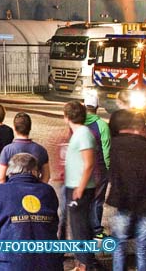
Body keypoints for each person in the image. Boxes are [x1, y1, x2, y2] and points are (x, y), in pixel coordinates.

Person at [0, 153, 62, 271]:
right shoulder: (48, 191)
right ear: (34, 172)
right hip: (48, 262)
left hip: (11, 264)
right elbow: (53, 225)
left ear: (10, 172)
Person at [106, 110, 146, 271]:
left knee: (119, 245)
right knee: (142, 247)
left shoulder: (115, 145)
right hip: (145, 203)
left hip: (123, 201)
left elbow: (113, 173)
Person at [62, 101, 98, 271]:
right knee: (78, 228)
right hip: (75, 186)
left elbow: (89, 163)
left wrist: (80, 188)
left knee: (80, 230)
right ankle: (82, 264)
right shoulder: (79, 133)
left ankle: (86, 265)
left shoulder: (83, 134)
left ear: (67, 117)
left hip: (79, 189)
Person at [83, 91, 110, 239]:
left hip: (81, 168)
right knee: (97, 200)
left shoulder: (77, 124)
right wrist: (107, 168)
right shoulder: (102, 126)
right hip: (98, 168)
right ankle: (96, 230)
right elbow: (106, 150)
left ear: (84, 105)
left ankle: (83, 228)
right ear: (97, 106)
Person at [0, 112, 50, 183]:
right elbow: (46, 175)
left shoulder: (7, 150)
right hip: (33, 190)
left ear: (14, 128)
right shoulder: (41, 150)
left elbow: (1, 179)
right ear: (30, 128)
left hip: (13, 190)